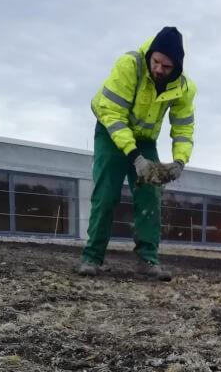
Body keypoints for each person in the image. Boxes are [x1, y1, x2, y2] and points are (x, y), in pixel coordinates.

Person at [78, 26, 196, 281]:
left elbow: (183, 128)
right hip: (111, 131)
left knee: (150, 195)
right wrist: (135, 158)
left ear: (176, 67)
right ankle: (92, 257)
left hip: (144, 139)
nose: (159, 70)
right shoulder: (130, 65)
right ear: (150, 55)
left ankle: (148, 260)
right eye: (156, 62)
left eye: (166, 67)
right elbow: (112, 113)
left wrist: (179, 161)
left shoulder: (183, 88)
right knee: (106, 194)